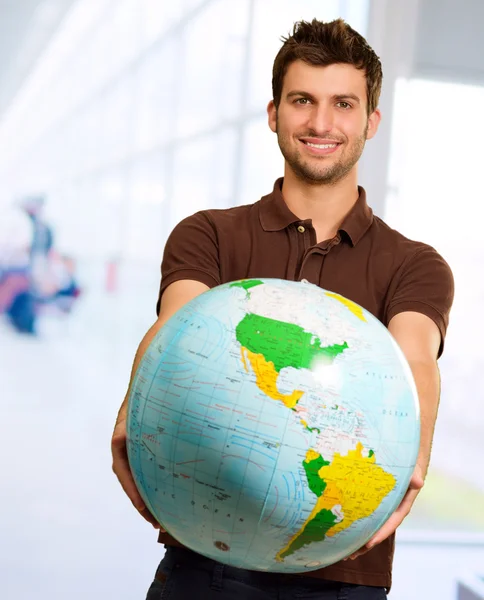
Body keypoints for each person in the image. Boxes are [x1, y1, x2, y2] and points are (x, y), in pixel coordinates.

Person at [112, 18, 454, 600]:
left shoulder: (414, 264)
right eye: (303, 100)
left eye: (343, 103)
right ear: (274, 114)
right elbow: (176, 326)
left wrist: (417, 447)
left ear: (371, 121)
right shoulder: (209, 235)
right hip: (208, 555)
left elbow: (415, 355)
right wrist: (131, 407)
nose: (321, 123)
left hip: (343, 568)